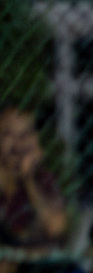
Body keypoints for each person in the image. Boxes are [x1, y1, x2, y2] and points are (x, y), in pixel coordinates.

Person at [0, 106, 66, 248]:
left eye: (25, 134)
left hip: (37, 262)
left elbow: (55, 227)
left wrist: (28, 179)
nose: (19, 142)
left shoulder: (42, 178)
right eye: (9, 134)